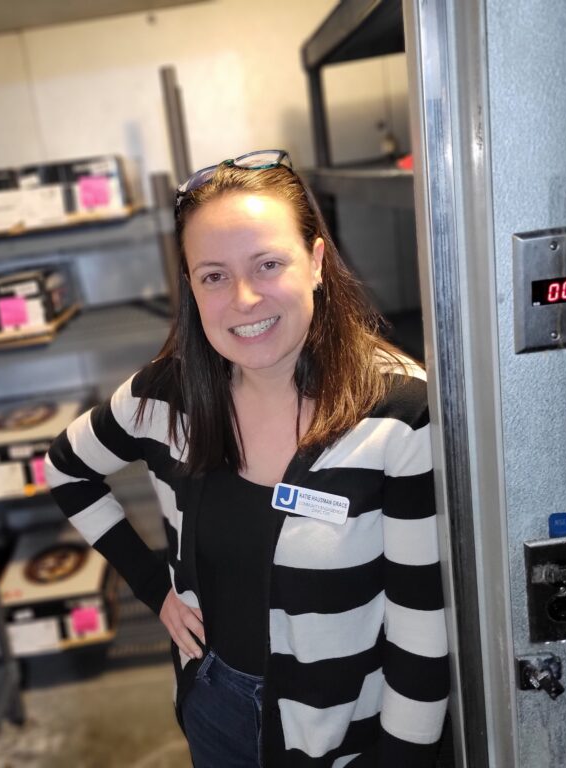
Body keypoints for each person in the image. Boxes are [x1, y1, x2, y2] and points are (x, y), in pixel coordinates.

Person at [45, 149, 449, 766]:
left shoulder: (398, 414)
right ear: (191, 287)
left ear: (315, 262)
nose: (244, 298)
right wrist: (156, 590)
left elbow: (421, 633)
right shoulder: (168, 395)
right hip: (213, 704)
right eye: (213, 275)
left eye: (268, 264)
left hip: (342, 734)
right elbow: (65, 469)